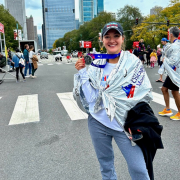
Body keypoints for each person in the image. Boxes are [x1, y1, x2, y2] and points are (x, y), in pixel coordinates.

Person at [74, 22, 163, 180]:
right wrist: (82, 73)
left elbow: (142, 94)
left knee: (139, 169)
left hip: (125, 124)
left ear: (123, 39)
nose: (112, 40)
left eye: (116, 36)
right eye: (107, 37)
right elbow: (91, 99)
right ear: (102, 40)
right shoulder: (97, 64)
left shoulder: (133, 63)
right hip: (98, 122)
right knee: (106, 166)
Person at [159, 27, 180, 120]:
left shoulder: (176, 46)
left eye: (168, 33)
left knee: (175, 91)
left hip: (175, 73)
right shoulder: (175, 44)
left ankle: (179, 113)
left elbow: (173, 60)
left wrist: (165, 59)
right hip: (173, 72)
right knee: (164, 89)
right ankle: (168, 109)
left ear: (171, 34)